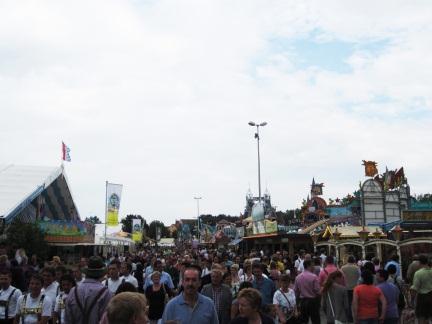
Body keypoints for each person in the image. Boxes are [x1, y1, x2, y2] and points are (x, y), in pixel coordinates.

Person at [65, 256, 112, 324]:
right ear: (101, 274)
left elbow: (67, 318)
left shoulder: (73, 291)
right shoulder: (106, 293)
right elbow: (106, 319)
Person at [293, 259, 321, 324]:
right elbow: (318, 291)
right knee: (316, 320)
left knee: (303, 321)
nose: (314, 267)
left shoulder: (298, 277)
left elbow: (296, 292)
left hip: (302, 301)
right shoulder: (314, 277)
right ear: (308, 266)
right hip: (313, 301)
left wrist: (296, 304)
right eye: (312, 265)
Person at [410, 254, 432, 324]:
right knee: (428, 317)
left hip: (422, 297)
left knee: (421, 318)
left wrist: (412, 300)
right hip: (431, 295)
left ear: (419, 262)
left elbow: (415, 288)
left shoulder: (418, 273)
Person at [341, 255, 360, 322]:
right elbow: (359, 277)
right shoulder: (357, 268)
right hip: (355, 288)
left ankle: (349, 318)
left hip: (346, 288)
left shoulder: (343, 268)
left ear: (347, 260)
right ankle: (356, 317)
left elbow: (341, 278)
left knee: (348, 304)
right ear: (354, 261)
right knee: (355, 303)